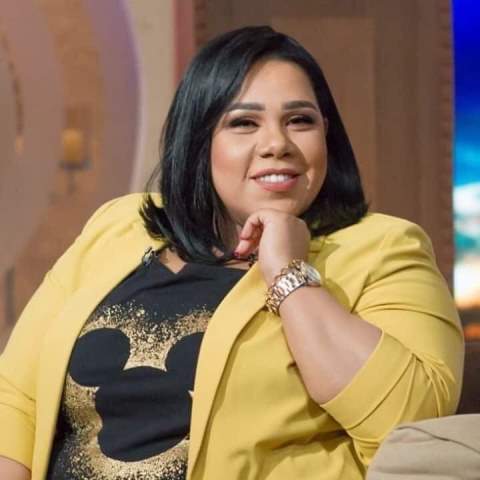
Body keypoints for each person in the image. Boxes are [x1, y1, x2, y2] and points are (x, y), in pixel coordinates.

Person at [0, 25, 464, 480]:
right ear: (200, 141)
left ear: (326, 134)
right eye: (244, 123)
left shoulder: (383, 249)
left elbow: (410, 423)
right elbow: (17, 400)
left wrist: (289, 274)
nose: (277, 144)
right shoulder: (119, 226)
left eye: (300, 120)